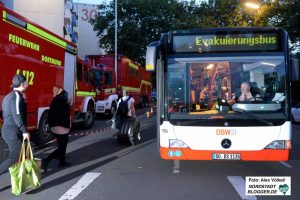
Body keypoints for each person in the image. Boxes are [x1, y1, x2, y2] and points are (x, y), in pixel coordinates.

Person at [0, 74, 30, 175]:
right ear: (23, 84)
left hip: (10, 130)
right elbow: (17, 115)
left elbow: (5, 113)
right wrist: (24, 131)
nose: (28, 84)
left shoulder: (8, 96)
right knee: (15, 155)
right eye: (26, 82)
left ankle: (25, 175)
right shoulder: (16, 96)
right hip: (12, 131)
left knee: (24, 151)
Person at [42, 86, 71, 172]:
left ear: (60, 90)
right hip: (61, 125)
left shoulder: (59, 98)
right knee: (62, 146)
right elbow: (65, 112)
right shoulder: (63, 98)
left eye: (55, 89)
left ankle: (62, 161)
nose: (53, 90)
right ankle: (46, 160)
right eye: (53, 89)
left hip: (55, 125)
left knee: (62, 145)